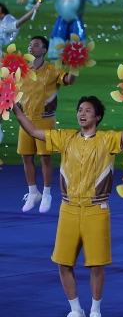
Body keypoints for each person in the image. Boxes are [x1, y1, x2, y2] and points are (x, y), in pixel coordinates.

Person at [12, 96, 123, 317]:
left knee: (96, 265)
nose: (82, 113)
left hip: (96, 210)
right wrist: (15, 109)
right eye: (80, 109)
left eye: (88, 111)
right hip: (68, 209)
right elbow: (34, 131)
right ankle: (75, 309)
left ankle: (95, 311)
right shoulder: (66, 138)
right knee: (63, 263)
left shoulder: (108, 140)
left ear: (98, 117)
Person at [16, 36, 77, 213]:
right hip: (25, 120)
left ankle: (47, 193)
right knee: (26, 156)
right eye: (30, 44)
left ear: (44, 50)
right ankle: (33, 192)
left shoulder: (52, 69)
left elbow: (69, 80)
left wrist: (75, 65)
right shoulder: (21, 70)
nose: (31, 47)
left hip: (45, 119)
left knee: (45, 157)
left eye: (36, 45)